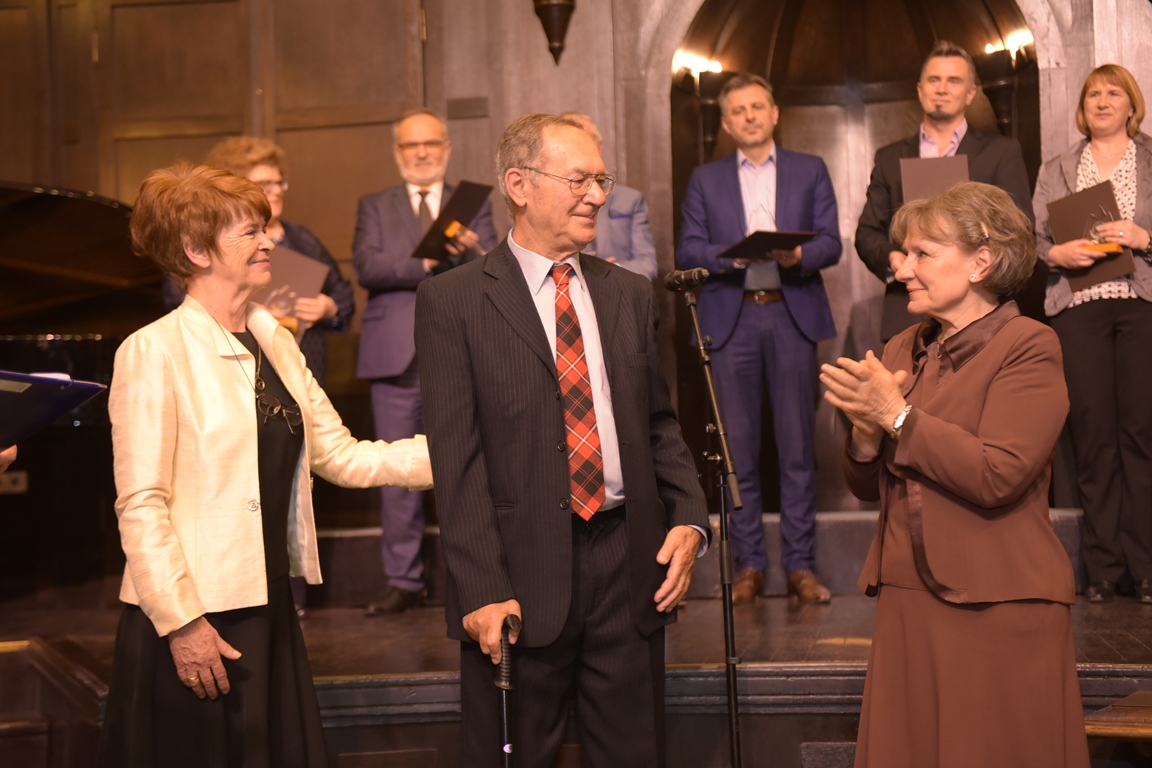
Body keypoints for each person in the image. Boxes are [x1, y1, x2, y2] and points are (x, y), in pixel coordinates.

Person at [99, 163, 433, 768]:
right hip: (194, 616)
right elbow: (141, 505)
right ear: (197, 250)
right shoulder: (152, 351)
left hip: (268, 602)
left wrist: (461, 453)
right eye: (250, 232)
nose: (269, 241)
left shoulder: (275, 339)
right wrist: (182, 624)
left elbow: (342, 457)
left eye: (264, 228)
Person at [414, 114, 709, 767]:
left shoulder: (628, 294)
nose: (596, 196)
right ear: (519, 184)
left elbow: (659, 425)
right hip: (515, 579)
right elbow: (456, 460)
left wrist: (690, 519)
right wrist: (480, 587)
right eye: (579, 180)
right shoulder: (452, 301)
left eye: (601, 180)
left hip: (628, 570)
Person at [822, 182, 1088, 768]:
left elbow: (999, 474)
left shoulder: (1029, 345)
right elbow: (868, 486)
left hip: (997, 604)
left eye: (922, 253)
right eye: (904, 253)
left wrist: (896, 416)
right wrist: (865, 435)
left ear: (980, 262)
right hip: (909, 602)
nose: (903, 268)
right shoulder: (900, 347)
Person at [677, 73, 841, 603]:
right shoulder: (705, 179)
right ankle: (747, 566)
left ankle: (801, 567)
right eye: (738, 110)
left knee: (797, 451)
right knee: (737, 453)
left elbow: (832, 243)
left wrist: (798, 254)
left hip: (790, 316)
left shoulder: (809, 169)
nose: (749, 116)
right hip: (732, 319)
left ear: (774, 114)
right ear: (726, 123)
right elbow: (688, 250)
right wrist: (734, 255)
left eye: (757, 107)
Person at [353, 108, 498, 615]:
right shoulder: (375, 205)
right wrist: (427, 260)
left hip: (459, 350)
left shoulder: (473, 204)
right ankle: (403, 581)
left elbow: (496, 265)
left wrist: (472, 249)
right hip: (395, 359)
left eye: (430, 144)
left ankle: (475, 579)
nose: (421, 153)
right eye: (411, 145)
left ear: (446, 148)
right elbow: (367, 265)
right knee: (397, 474)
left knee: (468, 469)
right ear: (397, 152)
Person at [1033, 64, 1152, 603]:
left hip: (1140, 305)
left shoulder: (1149, 160)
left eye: (1113, 93)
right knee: (1094, 436)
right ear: (1082, 108)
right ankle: (1103, 568)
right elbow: (1035, 239)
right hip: (1078, 307)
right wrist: (1057, 253)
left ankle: (1145, 567)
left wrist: (1143, 237)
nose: (1102, 101)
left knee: (1140, 435)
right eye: (1093, 95)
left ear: (1132, 104)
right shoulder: (1057, 167)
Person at [855, 40, 1034, 341]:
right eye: (934, 80)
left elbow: (1020, 232)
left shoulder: (1001, 152)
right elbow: (867, 233)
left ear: (971, 93)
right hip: (907, 310)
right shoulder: (889, 158)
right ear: (920, 90)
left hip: (979, 309)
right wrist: (896, 258)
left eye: (954, 81)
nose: (942, 88)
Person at [162, 136, 355, 388]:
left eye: (279, 182)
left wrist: (328, 307)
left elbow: (342, 293)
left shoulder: (303, 239)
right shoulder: (211, 242)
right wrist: (248, 311)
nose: (276, 190)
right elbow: (179, 296)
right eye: (264, 183)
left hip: (306, 362)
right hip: (237, 363)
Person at [560, 111, 658, 280]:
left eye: (586, 143)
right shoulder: (540, 200)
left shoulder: (630, 201)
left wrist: (607, 272)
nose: (598, 199)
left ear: (599, 147)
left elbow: (647, 265)